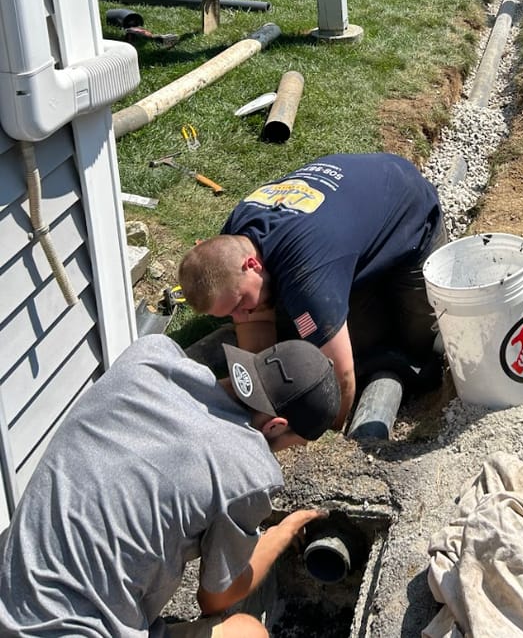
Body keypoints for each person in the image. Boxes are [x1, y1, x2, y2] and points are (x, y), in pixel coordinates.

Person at [0, 334, 341, 637]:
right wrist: (282, 533)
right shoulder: (248, 471)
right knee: (247, 632)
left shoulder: (148, 355)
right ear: (275, 425)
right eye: (295, 442)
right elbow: (214, 598)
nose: (294, 450)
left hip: (8, 596)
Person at [179, 153, 447, 428]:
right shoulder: (232, 243)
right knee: (307, 323)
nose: (240, 315)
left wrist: (324, 430)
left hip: (408, 214)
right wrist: (257, 397)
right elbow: (256, 327)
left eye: (239, 304)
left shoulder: (304, 274)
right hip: (350, 208)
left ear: (252, 264)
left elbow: (341, 378)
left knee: (419, 345)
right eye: (231, 314)